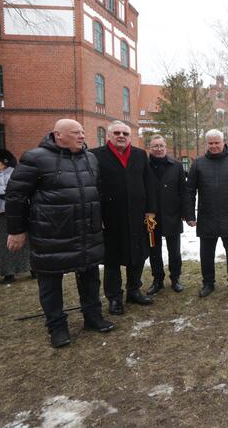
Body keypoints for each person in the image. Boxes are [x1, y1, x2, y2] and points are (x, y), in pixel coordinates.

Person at [5, 119, 113, 348]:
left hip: (86, 230)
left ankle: (93, 317)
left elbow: (97, 191)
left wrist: (100, 217)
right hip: (51, 232)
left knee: (90, 276)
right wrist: (16, 230)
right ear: (58, 135)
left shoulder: (90, 158)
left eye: (83, 132)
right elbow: (15, 196)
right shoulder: (35, 158)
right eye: (76, 133)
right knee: (50, 283)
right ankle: (57, 327)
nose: (82, 136)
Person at [92, 121, 157, 314]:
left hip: (137, 214)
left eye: (125, 133)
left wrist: (151, 210)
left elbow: (149, 183)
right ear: (109, 135)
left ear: (130, 136)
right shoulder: (96, 156)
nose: (121, 136)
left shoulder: (139, 154)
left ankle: (134, 290)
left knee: (136, 255)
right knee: (112, 259)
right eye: (117, 133)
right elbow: (93, 186)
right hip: (110, 216)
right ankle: (114, 297)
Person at [185, 129, 228, 298]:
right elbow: (190, 191)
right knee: (206, 254)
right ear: (207, 144)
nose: (213, 146)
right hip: (207, 217)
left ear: (223, 142)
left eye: (216, 143)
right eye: (210, 143)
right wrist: (190, 215)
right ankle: (208, 283)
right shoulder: (198, 164)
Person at [146, 135, 186, 295]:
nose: (159, 148)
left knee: (174, 251)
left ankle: (175, 278)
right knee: (154, 250)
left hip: (172, 215)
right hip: (151, 217)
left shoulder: (176, 166)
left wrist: (185, 212)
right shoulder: (143, 165)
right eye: (155, 146)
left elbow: (183, 191)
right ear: (150, 148)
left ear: (166, 147)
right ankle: (158, 280)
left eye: (161, 145)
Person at [0, 149, 30, 282]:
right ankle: (7, 272)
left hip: (18, 213)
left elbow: (22, 191)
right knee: (2, 244)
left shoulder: (16, 174)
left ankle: (31, 267)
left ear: (5, 162)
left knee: (25, 242)